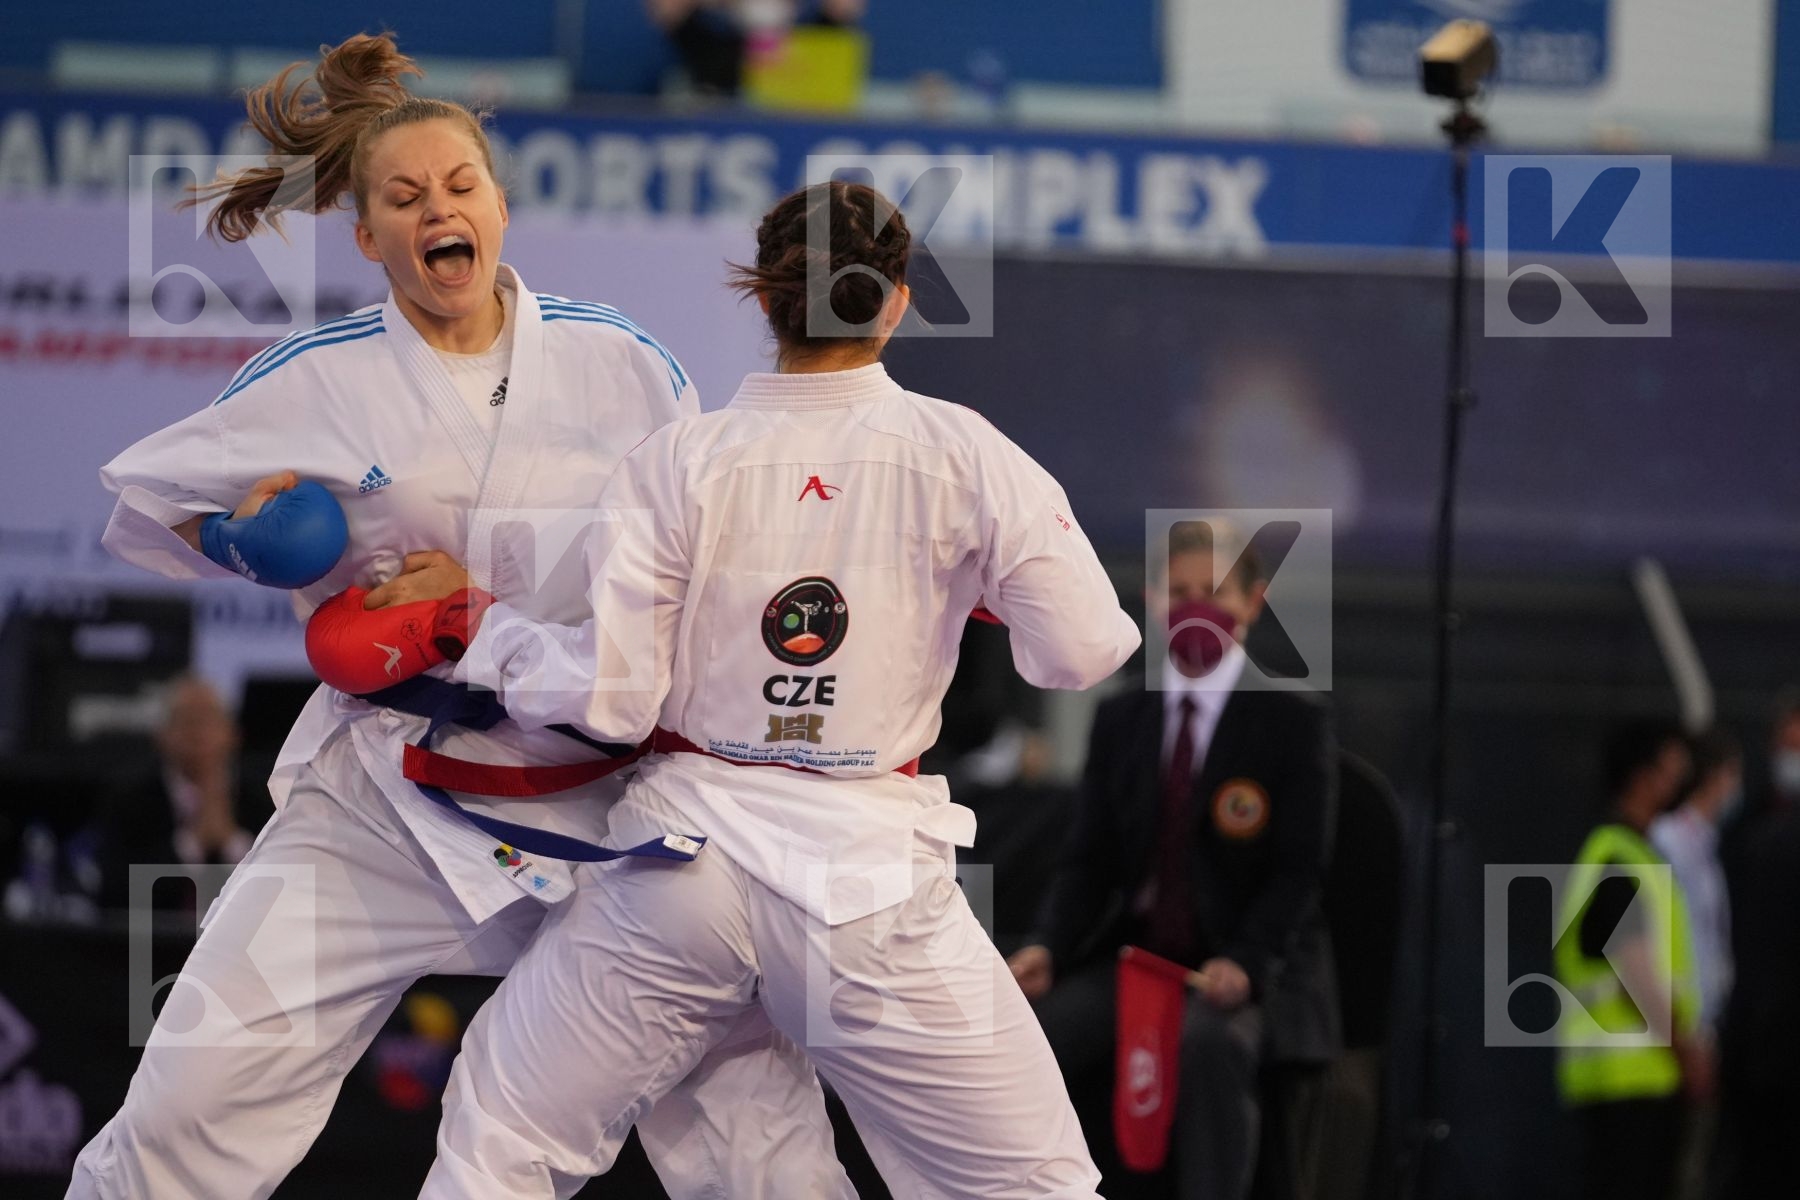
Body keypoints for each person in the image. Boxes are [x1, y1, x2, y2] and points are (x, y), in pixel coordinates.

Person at [72, 33, 849, 1200]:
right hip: (390, 794)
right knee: (193, 1096)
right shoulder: (316, 379)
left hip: (598, 795)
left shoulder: (624, 363)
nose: (439, 209)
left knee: (745, 1117)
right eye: (405, 196)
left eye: (461, 184)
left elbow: (704, 557)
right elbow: (148, 502)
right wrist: (246, 538)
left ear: (498, 201)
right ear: (368, 233)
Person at [328, 179, 1141, 1197]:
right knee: (1036, 1188)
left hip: (684, 876)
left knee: (509, 1141)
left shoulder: (682, 459)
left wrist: (474, 627)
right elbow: (1081, 653)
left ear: (763, 300)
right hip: (868, 891)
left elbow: (614, 704)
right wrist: (971, 592)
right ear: (895, 300)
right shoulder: (963, 454)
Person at [1007, 521, 1339, 1199]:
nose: (1195, 607)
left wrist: (1245, 963)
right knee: (1030, 1037)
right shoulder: (1123, 718)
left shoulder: (1293, 723)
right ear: (1152, 599)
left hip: (1246, 967)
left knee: (1210, 1045)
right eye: (1179, 591)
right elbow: (1087, 860)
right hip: (1137, 960)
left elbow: (1299, 872)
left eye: (1213, 591)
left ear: (1253, 600)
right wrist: (1048, 944)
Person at [1556, 720, 1704, 1200]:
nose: (1680, 781)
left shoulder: (1627, 854)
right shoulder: (1620, 860)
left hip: (1627, 1082)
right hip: (1630, 1085)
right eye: (1670, 769)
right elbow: (1634, 973)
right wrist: (1687, 1052)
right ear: (1642, 777)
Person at [87, 676, 255, 910]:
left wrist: (231, 841)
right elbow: (115, 893)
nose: (197, 733)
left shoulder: (268, 796)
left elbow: (289, 889)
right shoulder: (128, 798)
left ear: (233, 734)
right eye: (185, 720)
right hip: (150, 943)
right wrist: (192, 843)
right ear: (160, 735)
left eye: (208, 719)